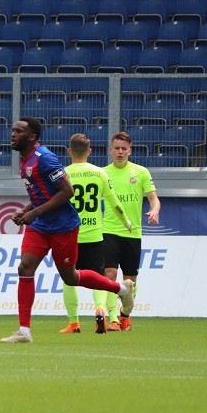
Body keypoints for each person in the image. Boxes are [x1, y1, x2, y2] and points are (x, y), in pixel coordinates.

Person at [3, 117, 136, 344]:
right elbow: (41, 193)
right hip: (40, 226)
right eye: (13, 130)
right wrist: (26, 210)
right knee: (25, 268)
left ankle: (120, 289)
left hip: (63, 226)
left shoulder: (45, 158)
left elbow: (67, 191)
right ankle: (24, 331)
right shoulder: (24, 159)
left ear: (32, 137)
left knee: (71, 277)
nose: (13, 134)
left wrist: (35, 212)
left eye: (19, 131)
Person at [60, 133, 132, 335]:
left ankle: (74, 323)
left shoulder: (63, 174)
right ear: (89, 151)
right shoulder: (99, 173)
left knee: (68, 279)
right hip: (94, 236)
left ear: (69, 151)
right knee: (99, 278)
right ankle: (100, 309)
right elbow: (114, 203)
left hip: (70, 235)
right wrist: (125, 221)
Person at [103, 131, 160, 332]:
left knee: (130, 282)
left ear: (130, 151)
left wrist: (154, 210)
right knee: (109, 275)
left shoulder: (141, 172)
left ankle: (125, 315)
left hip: (132, 233)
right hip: (109, 230)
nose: (120, 152)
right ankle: (112, 319)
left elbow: (153, 198)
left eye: (124, 149)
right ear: (111, 150)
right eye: (117, 148)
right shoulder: (103, 173)